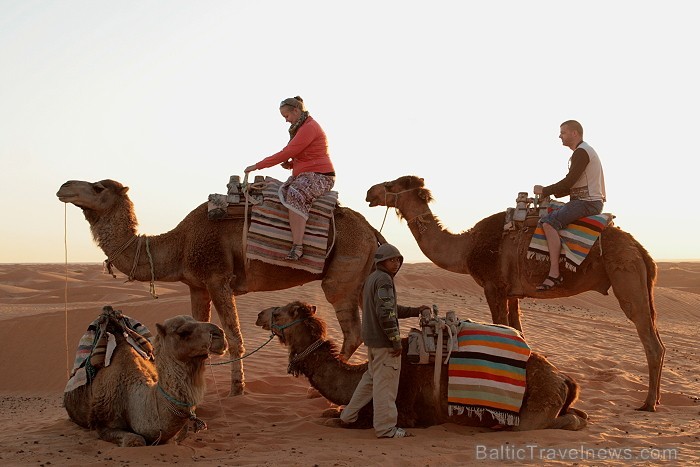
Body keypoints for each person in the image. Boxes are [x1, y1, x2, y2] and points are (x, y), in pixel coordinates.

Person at [339, 243, 431, 438]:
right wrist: (395, 341)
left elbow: (390, 308)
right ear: (381, 261)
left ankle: (348, 415)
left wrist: (415, 310)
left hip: (372, 343)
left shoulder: (372, 279)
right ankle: (385, 428)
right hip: (384, 344)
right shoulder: (384, 281)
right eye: (392, 260)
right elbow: (386, 313)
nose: (396, 263)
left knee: (370, 381)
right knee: (386, 386)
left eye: (398, 260)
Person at [244, 96, 335, 261]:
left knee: (294, 193)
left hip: (321, 176)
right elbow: (308, 154)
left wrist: (257, 166)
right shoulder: (302, 127)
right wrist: (292, 165)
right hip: (308, 173)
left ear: (296, 111)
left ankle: (298, 246)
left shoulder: (309, 128)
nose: (286, 121)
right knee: (280, 189)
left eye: (287, 116)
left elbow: (286, 152)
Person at [533, 120, 606, 291]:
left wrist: (544, 190)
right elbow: (572, 185)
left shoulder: (582, 152)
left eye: (563, 132)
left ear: (575, 133)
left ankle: (554, 274)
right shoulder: (583, 151)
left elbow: (569, 182)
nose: (560, 136)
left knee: (548, 223)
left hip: (587, 203)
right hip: (585, 201)